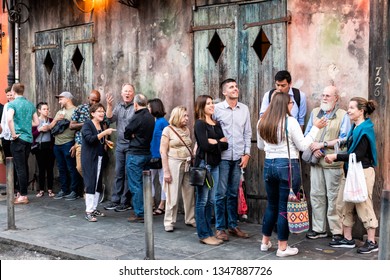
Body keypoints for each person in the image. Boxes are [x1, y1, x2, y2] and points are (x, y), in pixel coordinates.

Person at [257, 91, 327, 257]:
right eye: (291, 103)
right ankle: (282, 248)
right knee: (284, 207)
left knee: (271, 205)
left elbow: (260, 146)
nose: (292, 105)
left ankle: (265, 243)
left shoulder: (262, 121)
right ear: (285, 105)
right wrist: (315, 128)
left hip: (269, 165)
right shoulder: (290, 122)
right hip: (287, 166)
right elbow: (303, 146)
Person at [325, 97, 379, 254]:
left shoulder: (365, 129)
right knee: (343, 204)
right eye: (348, 107)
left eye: (351, 108)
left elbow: (358, 155)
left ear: (361, 111)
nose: (348, 110)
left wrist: (336, 156)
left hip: (362, 172)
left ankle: (371, 241)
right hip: (351, 172)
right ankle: (347, 239)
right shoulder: (355, 128)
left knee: (364, 206)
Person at [304, 85, 351, 240]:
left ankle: (336, 232)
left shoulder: (343, 115)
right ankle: (319, 229)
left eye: (328, 96)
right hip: (316, 161)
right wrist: (313, 147)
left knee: (335, 198)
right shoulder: (315, 113)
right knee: (316, 195)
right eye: (323, 95)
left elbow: (344, 140)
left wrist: (323, 145)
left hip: (333, 163)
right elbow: (307, 134)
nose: (324, 98)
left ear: (336, 98)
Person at [213, 78, 251, 241]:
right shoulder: (217, 109)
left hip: (238, 158)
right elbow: (210, 129)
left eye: (236, 86)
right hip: (222, 158)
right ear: (224, 92)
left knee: (233, 192)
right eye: (231, 87)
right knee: (220, 193)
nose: (235, 89)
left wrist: (247, 154)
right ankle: (220, 228)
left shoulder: (244, 109)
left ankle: (233, 225)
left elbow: (247, 133)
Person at [194, 95, 228, 245]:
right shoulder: (200, 124)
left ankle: (208, 232)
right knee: (202, 201)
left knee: (211, 201)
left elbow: (226, 144)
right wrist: (217, 143)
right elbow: (205, 145)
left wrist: (216, 142)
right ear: (201, 106)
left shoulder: (216, 123)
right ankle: (203, 234)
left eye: (212, 103)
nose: (212, 105)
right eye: (208, 103)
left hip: (214, 165)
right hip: (204, 165)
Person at [160, 106, 196, 232]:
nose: (187, 118)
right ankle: (169, 221)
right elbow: (163, 152)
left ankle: (190, 218)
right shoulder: (167, 130)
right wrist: (166, 171)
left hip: (187, 164)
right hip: (173, 163)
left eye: (187, 116)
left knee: (189, 192)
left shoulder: (186, 130)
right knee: (172, 193)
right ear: (177, 116)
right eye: (184, 115)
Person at [81, 103, 116, 222]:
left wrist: (105, 141)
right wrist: (105, 133)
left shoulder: (100, 124)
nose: (102, 113)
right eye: (99, 111)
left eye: (103, 111)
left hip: (100, 156)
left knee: (98, 183)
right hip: (90, 158)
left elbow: (98, 139)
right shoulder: (87, 125)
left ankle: (94, 208)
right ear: (92, 113)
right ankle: (88, 211)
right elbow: (90, 139)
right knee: (91, 183)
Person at [104, 83, 135, 212]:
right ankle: (115, 200)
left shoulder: (136, 107)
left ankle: (125, 201)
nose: (127, 93)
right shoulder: (118, 106)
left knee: (128, 174)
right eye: (125, 91)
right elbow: (109, 118)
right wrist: (109, 106)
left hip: (132, 145)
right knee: (118, 172)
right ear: (121, 94)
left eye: (129, 91)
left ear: (133, 93)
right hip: (120, 144)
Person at [124, 94, 155, 223]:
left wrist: (132, 135)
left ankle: (140, 213)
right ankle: (146, 210)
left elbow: (127, 132)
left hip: (135, 154)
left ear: (135, 104)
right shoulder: (150, 117)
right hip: (146, 153)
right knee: (144, 184)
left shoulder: (137, 117)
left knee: (135, 185)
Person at [7, 83, 39, 204]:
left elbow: (9, 119)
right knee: (23, 166)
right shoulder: (30, 104)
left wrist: (14, 133)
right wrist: (26, 124)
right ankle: (21, 193)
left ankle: (23, 196)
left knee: (20, 168)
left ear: (13, 92)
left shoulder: (12, 104)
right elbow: (36, 122)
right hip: (28, 140)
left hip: (18, 139)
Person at [51, 91, 81, 200]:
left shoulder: (76, 110)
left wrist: (75, 144)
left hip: (69, 142)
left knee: (71, 168)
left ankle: (74, 191)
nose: (59, 101)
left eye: (61, 98)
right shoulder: (59, 111)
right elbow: (51, 126)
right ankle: (64, 189)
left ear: (68, 98)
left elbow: (79, 127)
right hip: (57, 143)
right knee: (61, 168)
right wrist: (57, 119)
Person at [70, 89, 103, 176]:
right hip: (81, 142)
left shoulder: (101, 110)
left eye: (97, 100)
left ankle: (89, 187)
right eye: (93, 100)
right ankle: (89, 185)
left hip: (96, 142)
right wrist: (87, 124)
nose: (95, 102)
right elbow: (71, 126)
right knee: (80, 167)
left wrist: (105, 143)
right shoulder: (80, 108)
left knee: (94, 167)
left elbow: (105, 125)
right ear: (88, 98)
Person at [148, 98, 169, 216]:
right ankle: (151, 203)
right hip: (150, 155)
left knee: (162, 181)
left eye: (149, 107)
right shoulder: (151, 121)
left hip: (161, 156)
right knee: (149, 180)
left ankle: (162, 204)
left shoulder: (163, 122)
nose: (147, 109)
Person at [32, 102, 55, 198]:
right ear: (39, 110)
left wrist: (50, 128)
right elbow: (32, 135)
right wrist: (39, 129)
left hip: (49, 146)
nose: (46, 111)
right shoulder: (35, 121)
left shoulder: (51, 120)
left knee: (50, 169)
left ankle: (50, 189)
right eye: (44, 109)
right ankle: (41, 189)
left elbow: (55, 133)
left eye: (47, 109)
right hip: (39, 147)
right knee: (41, 169)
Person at [0, 87, 18, 191]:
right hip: (6, 137)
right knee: (9, 162)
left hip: (15, 137)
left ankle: (18, 187)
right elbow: (3, 122)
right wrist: (2, 136)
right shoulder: (6, 105)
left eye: (11, 94)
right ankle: (11, 187)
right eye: (8, 95)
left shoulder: (17, 105)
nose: (9, 97)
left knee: (17, 163)